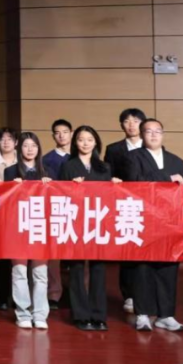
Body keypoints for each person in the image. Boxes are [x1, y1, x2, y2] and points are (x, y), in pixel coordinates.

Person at [127, 119, 183, 333]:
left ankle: (166, 315)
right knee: (143, 268)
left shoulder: (177, 161)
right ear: (142, 135)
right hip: (144, 222)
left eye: (158, 131)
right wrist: (166, 177)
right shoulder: (133, 157)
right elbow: (135, 181)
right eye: (149, 131)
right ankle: (142, 314)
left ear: (163, 134)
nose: (154, 135)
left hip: (171, 224)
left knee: (168, 268)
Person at [60, 125, 118, 331]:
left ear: (96, 143)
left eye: (89, 140)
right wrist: (71, 186)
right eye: (81, 139)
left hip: (98, 223)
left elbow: (110, 197)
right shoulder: (68, 166)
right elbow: (59, 195)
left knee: (98, 269)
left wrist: (115, 185)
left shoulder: (104, 167)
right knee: (76, 269)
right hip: (76, 223)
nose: (85, 143)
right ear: (75, 143)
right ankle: (80, 315)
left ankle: (99, 315)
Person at [5, 132, 53, 330]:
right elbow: (6, 200)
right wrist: (12, 186)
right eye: (26, 145)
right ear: (19, 148)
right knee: (19, 272)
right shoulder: (10, 171)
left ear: (38, 148)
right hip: (17, 227)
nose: (30, 149)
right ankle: (23, 313)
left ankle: (40, 314)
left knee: (40, 273)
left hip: (40, 227)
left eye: (33, 145)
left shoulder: (48, 171)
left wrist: (50, 186)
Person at [104, 108, 146, 315]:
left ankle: (145, 293)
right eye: (127, 121)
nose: (131, 125)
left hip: (148, 206)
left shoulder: (152, 146)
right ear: (121, 125)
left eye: (135, 121)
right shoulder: (113, 149)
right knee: (128, 251)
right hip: (125, 206)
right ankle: (128, 294)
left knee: (145, 251)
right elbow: (107, 176)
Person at [41, 118, 72, 310]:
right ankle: (54, 293)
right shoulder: (46, 160)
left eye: (65, 132)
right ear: (53, 136)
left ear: (71, 134)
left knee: (80, 253)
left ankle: (81, 291)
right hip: (54, 210)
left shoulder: (80, 156)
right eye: (57, 133)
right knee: (53, 255)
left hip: (77, 210)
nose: (61, 136)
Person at [0, 127, 20, 311]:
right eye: (2, 139)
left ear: (16, 142)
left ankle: (19, 296)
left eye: (10, 139)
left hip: (20, 214)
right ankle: (2, 295)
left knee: (19, 257)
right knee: (1, 257)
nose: (6, 142)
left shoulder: (24, 161)